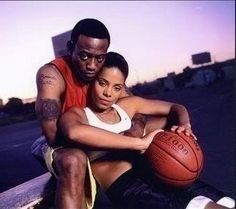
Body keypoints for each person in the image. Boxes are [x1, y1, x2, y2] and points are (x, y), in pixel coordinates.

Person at [58, 52, 235, 209]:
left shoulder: (126, 106)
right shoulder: (79, 114)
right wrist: (139, 143)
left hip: (158, 172)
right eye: (102, 83)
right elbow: (74, 132)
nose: (108, 93)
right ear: (92, 80)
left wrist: (184, 124)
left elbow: (175, 107)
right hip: (128, 185)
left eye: (117, 87)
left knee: (226, 203)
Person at [31, 18, 147, 209]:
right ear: (70, 47)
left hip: (95, 139)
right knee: (73, 160)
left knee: (155, 128)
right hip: (58, 142)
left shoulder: (106, 72)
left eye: (99, 58)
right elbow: (53, 136)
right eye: (84, 56)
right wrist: (121, 142)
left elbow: (138, 110)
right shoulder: (52, 75)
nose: (92, 65)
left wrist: (136, 128)